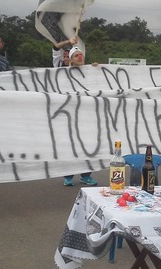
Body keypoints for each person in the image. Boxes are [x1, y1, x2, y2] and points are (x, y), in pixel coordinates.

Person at [60, 45, 99, 186]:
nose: (80, 57)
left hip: (88, 117)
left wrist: (97, 70)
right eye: (76, 55)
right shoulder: (64, 73)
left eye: (81, 54)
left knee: (89, 146)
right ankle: (68, 176)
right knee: (71, 147)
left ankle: (86, 175)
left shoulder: (90, 71)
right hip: (70, 117)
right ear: (70, 59)